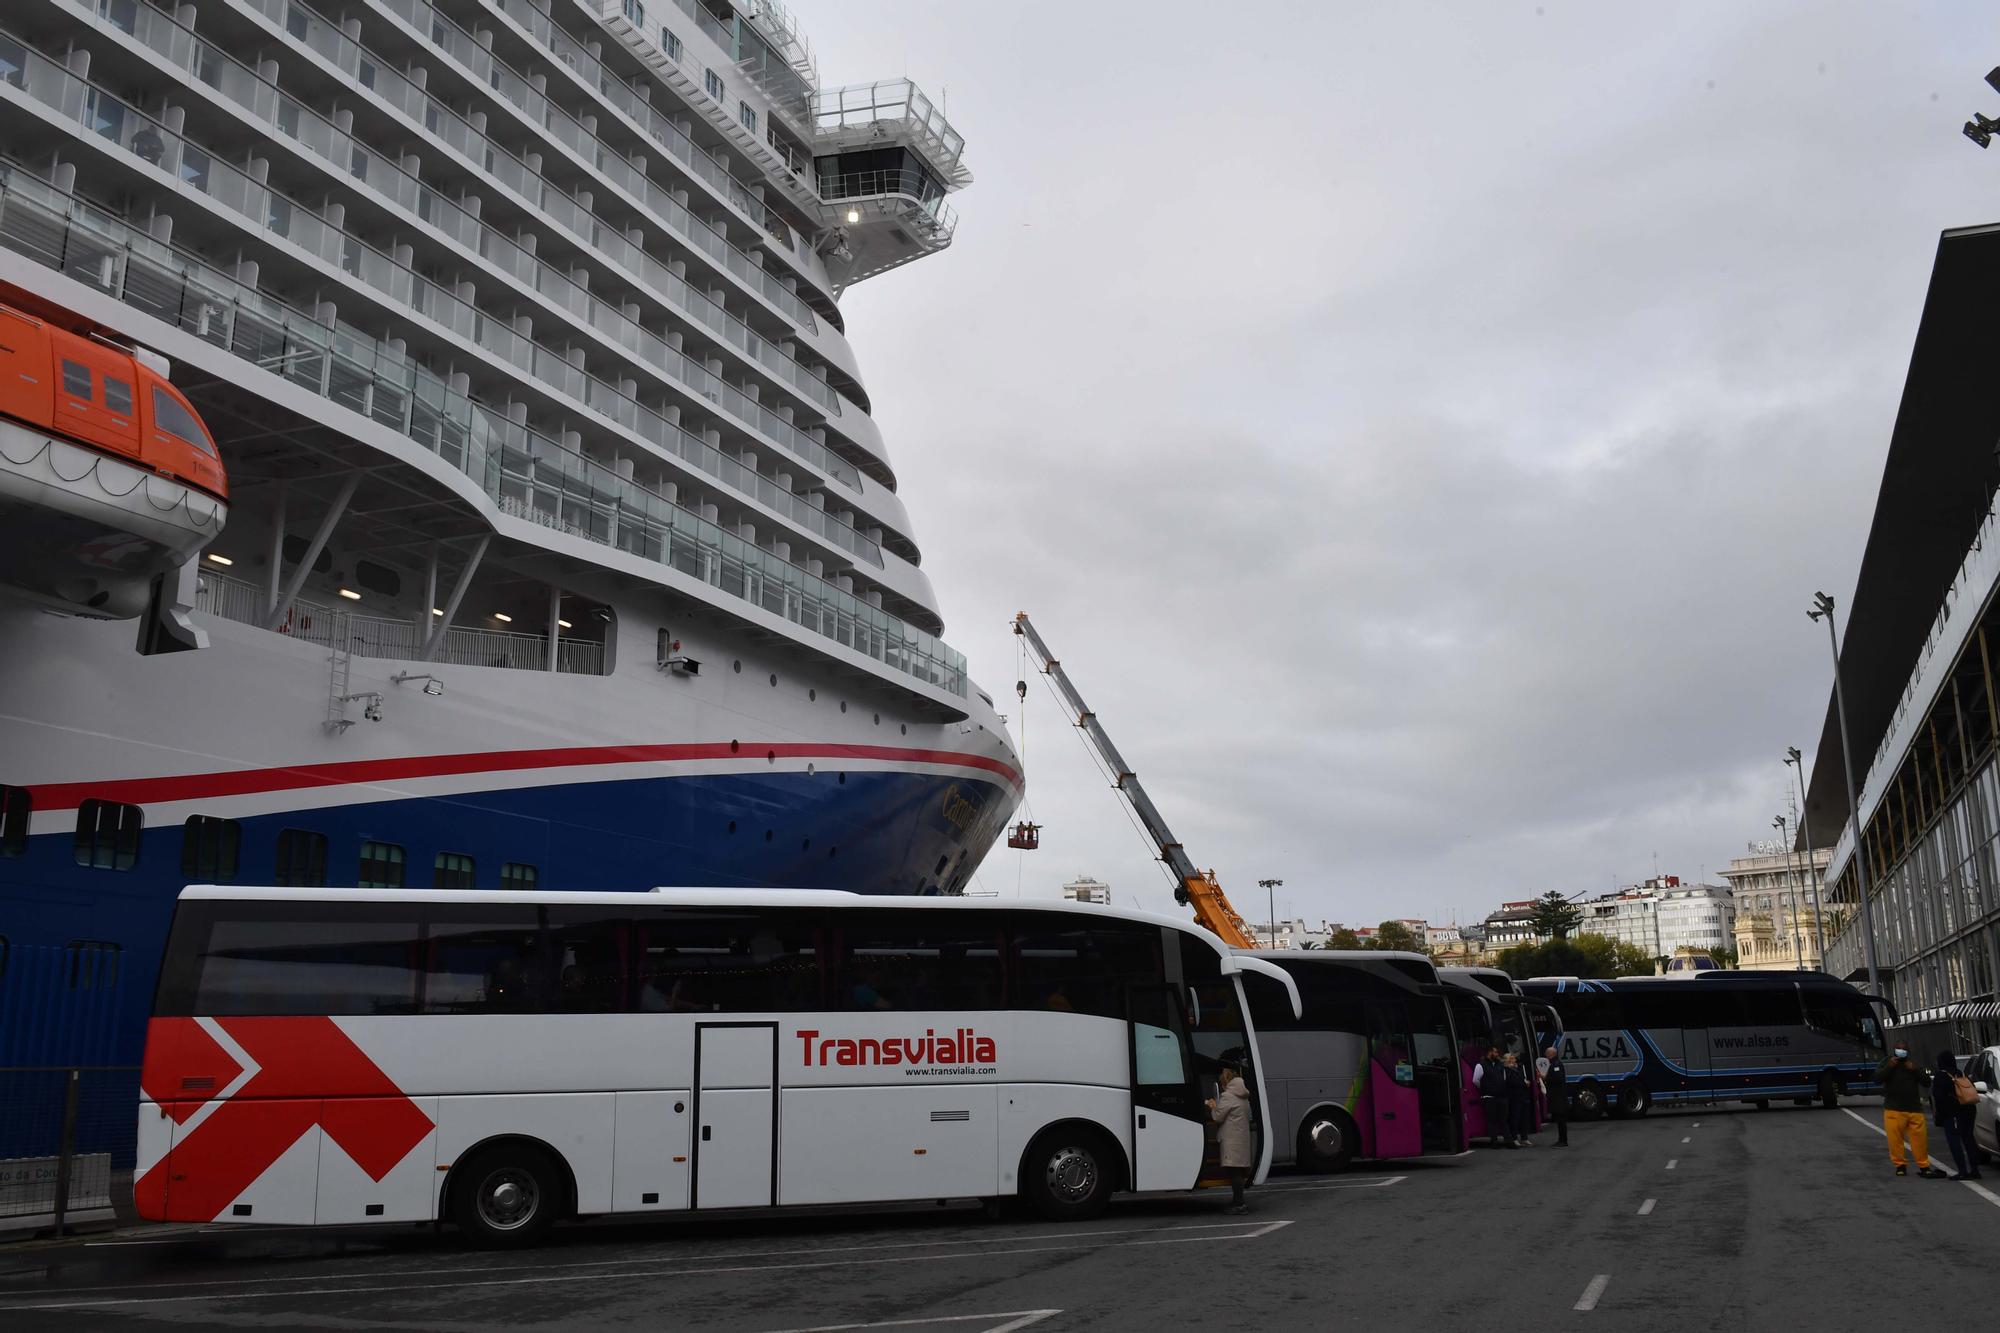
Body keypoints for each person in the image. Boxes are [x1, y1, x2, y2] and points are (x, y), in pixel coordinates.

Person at [1877, 1045, 1948, 1178]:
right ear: (1894, 1050)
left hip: (1914, 1108)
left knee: (1919, 1140)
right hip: (1893, 1109)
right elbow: (1877, 1078)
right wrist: (1889, 1067)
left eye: (1903, 1049)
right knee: (1895, 1140)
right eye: (1899, 1048)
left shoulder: (1913, 1064)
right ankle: (1900, 1165)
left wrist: (1915, 1070)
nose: (1901, 1051)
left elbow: (1926, 1082)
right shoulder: (1887, 1062)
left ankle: (1923, 1165)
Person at [1207, 1063, 1254, 1213]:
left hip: (1231, 1140)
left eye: (1222, 1083)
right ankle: (1238, 1202)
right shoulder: (1243, 1096)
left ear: (1225, 1081)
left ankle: (1239, 1204)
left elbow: (1218, 1117)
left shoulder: (1227, 1096)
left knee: (1234, 1173)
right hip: (1241, 1138)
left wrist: (1213, 1105)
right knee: (1238, 1172)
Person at [1932, 1050, 1983, 1181]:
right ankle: (1975, 1170)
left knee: (1954, 1141)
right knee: (1969, 1139)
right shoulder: (1958, 1073)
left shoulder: (1940, 1076)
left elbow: (1939, 1098)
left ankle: (1963, 1171)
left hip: (1953, 1113)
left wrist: (1941, 1115)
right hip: (1968, 1110)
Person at [1474, 1046, 1506, 1147]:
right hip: (1489, 1097)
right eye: (1495, 1052)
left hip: (1501, 1096)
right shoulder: (1480, 1065)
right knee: (1492, 1120)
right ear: (1489, 1052)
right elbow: (1475, 1080)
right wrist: (1485, 1088)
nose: (1497, 1054)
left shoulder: (1500, 1065)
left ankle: (1508, 1140)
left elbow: (1503, 1078)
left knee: (1503, 1119)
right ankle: (1494, 1141)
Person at [1502, 1051, 1533, 1148]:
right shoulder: (1506, 1070)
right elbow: (1513, 1082)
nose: (1513, 1060)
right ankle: (1514, 1138)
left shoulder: (1518, 1068)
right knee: (1515, 1118)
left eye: (1514, 1058)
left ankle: (1524, 1138)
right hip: (1513, 1097)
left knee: (1524, 1118)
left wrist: (1525, 1083)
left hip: (1523, 1096)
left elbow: (1522, 1079)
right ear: (1507, 1060)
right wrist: (1524, 1084)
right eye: (1511, 1058)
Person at [1542, 1045, 1570, 1147]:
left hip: (1559, 1098)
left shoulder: (1556, 1064)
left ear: (1550, 1054)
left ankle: (1563, 1140)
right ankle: (1561, 1139)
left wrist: (1545, 1078)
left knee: (1561, 1120)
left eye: (1546, 1053)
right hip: (1558, 1098)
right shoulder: (1553, 1064)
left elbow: (1557, 1079)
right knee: (1559, 1120)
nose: (1545, 1055)